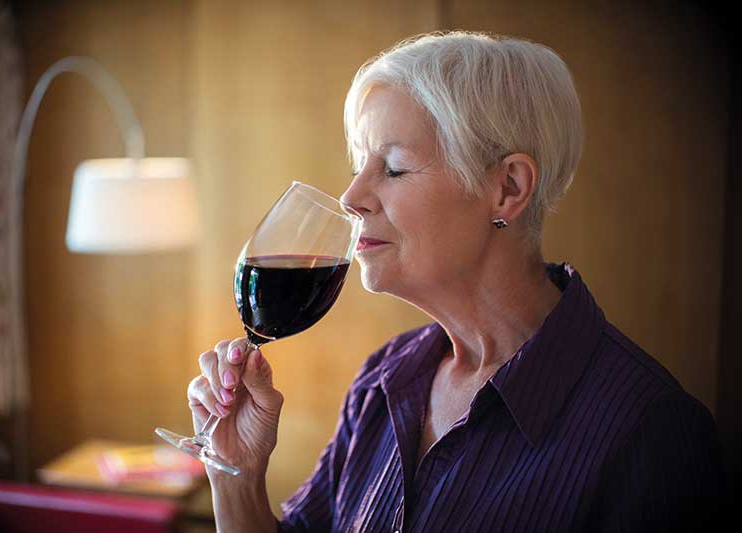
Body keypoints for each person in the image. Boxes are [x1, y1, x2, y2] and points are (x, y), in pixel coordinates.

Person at [187, 31, 726, 532]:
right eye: (359, 164)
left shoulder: (651, 433)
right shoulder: (385, 379)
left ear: (507, 189)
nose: (352, 198)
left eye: (393, 168)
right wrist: (237, 472)